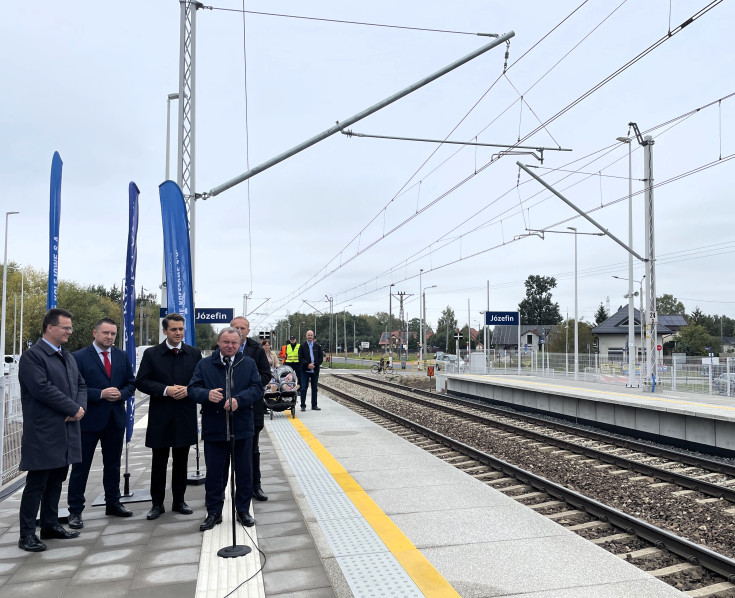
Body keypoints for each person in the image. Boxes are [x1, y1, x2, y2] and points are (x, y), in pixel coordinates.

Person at [17, 308, 87, 552]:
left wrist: (79, 408)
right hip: (44, 432)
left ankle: (50, 524)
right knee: (37, 483)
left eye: (70, 327)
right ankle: (26, 534)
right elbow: (41, 388)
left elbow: (80, 384)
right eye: (65, 327)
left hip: (66, 430)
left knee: (57, 479)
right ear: (50, 328)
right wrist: (71, 407)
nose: (70, 331)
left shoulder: (66, 356)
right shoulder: (33, 356)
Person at [188, 327, 264, 531]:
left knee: (244, 471)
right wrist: (206, 395)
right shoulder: (205, 364)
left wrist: (240, 400)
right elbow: (192, 389)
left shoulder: (247, 363)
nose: (229, 346)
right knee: (214, 473)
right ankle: (214, 512)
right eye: (225, 342)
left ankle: (243, 510)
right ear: (218, 342)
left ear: (240, 345)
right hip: (214, 426)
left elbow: (257, 388)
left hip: (242, 426)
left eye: (234, 343)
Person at [67, 318, 136, 529]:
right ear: (94, 333)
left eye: (113, 334)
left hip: (115, 419)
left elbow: (131, 383)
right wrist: (100, 394)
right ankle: (75, 511)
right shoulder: (78, 357)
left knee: (113, 465)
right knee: (81, 467)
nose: (109, 337)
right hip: (88, 420)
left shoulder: (121, 356)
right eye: (105, 333)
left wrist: (121, 395)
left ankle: (113, 503)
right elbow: (73, 388)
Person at [135, 313, 202, 520]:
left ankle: (179, 501)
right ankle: (157, 504)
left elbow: (200, 381)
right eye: (174, 329)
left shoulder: (194, 353)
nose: (178, 333)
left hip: (184, 414)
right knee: (159, 462)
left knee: (181, 461)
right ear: (165, 331)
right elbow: (142, 381)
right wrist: (165, 390)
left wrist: (188, 390)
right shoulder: (152, 354)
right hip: (161, 415)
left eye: (181, 329)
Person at [230, 317, 271, 502]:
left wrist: (249, 390)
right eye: (236, 327)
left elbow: (266, 374)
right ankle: (227, 488)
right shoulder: (223, 347)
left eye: (242, 328)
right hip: (228, 408)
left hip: (252, 408)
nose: (239, 330)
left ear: (248, 330)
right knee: (226, 452)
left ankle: (256, 486)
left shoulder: (256, 350)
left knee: (252, 450)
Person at [298, 329, 324, 411]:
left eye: (311, 335)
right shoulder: (302, 346)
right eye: (308, 335)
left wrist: (315, 365)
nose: (310, 337)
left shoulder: (317, 347)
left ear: (313, 336)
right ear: (306, 336)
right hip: (305, 370)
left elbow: (320, 358)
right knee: (303, 388)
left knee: (314, 388)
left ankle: (314, 405)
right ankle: (302, 405)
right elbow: (300, 358)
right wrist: (307, 365)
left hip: (315, 371)